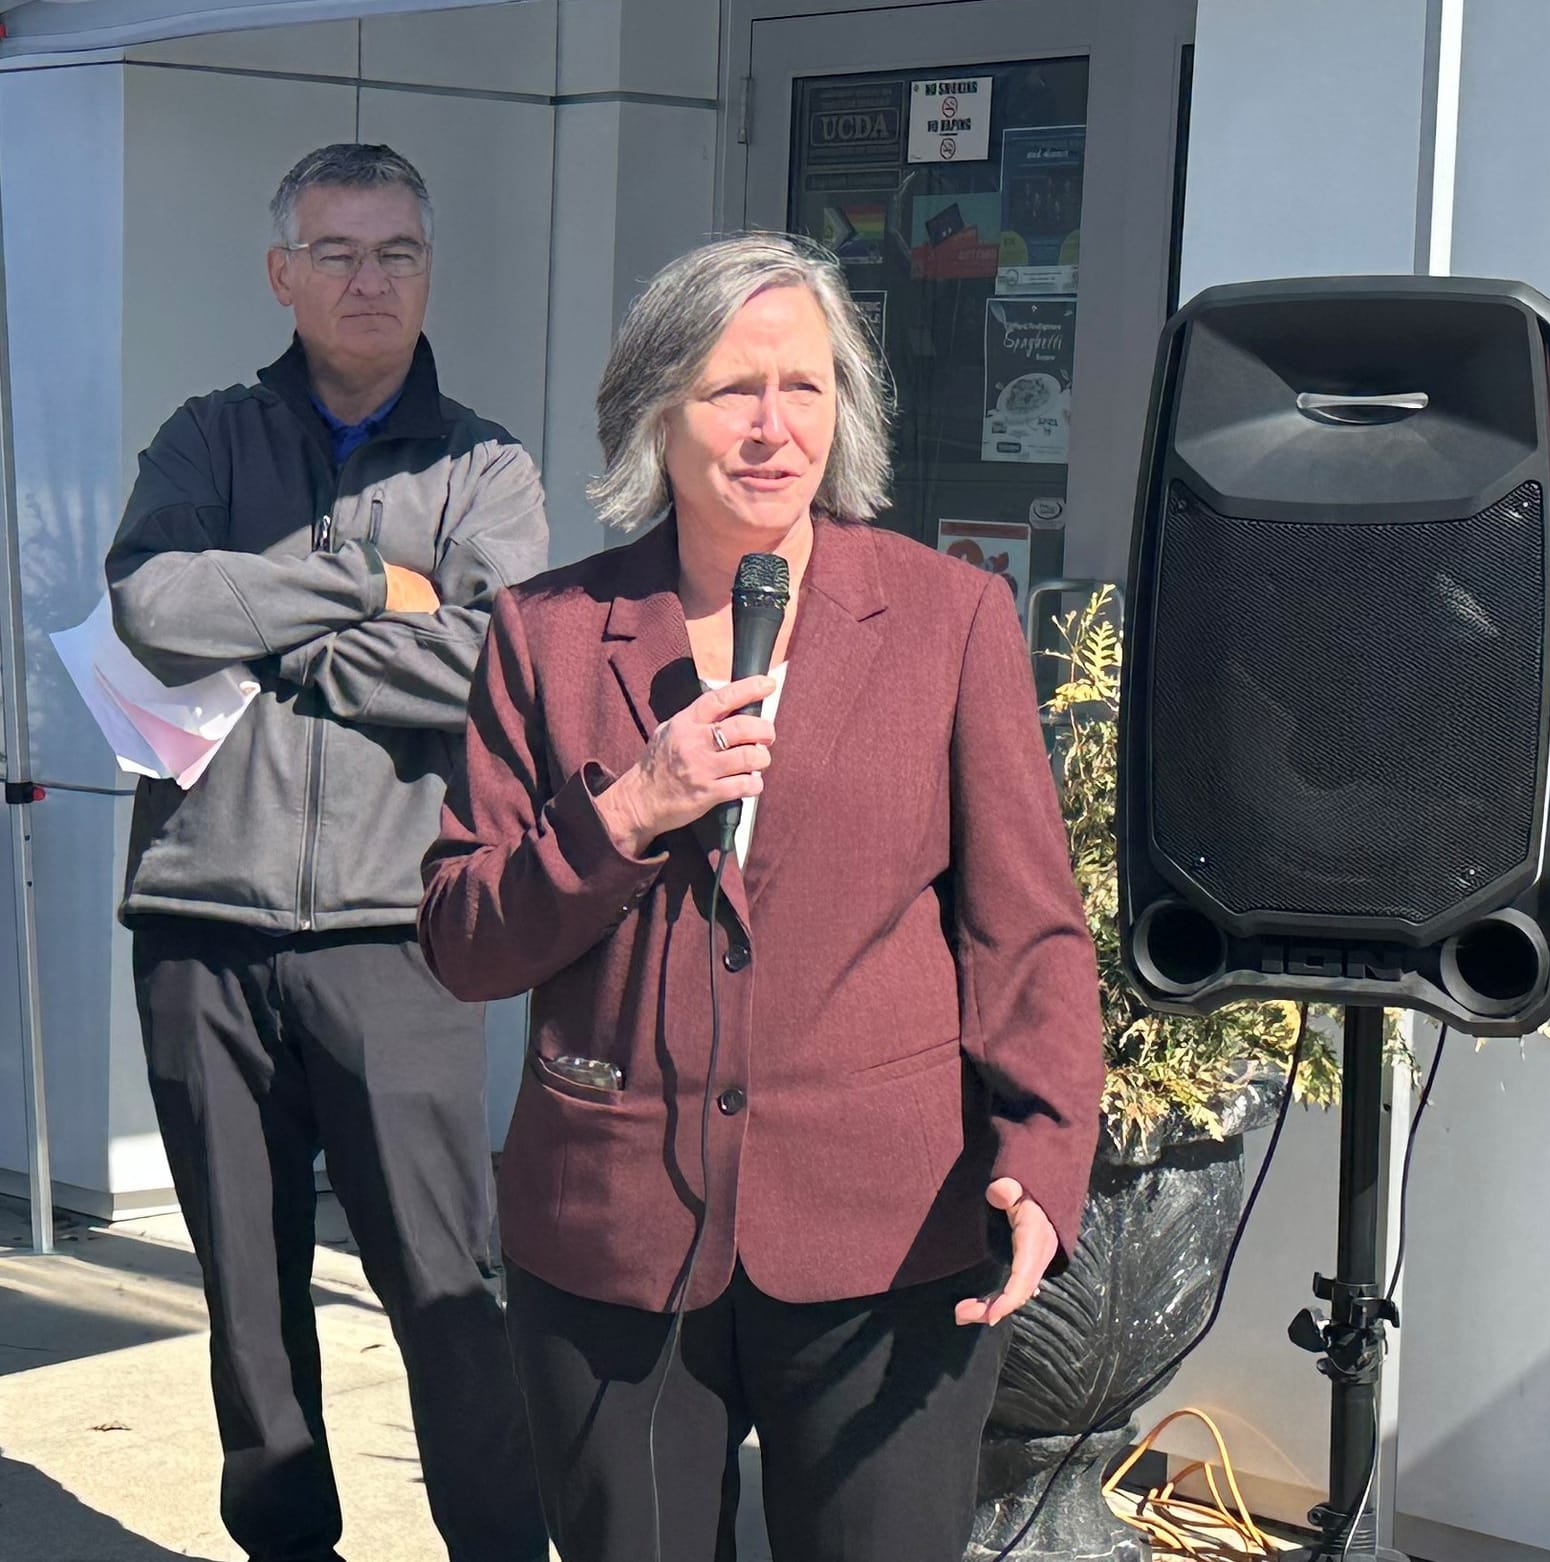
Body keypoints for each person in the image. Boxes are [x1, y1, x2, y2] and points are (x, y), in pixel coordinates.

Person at [418, 232, 1105, 1561]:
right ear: (655, 413)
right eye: (732, 388)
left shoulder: (950, 618)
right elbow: (461, 940)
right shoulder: (545, 634)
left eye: (805, 386)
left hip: (889, 1238)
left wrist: (1044, 1151)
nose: (772, 426)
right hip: (612, 1240)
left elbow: (1024, 929)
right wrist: (628, 809)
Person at [104, 143, 549, 1562]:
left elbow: (499, 664)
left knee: (447, 1288)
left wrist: (290, 647)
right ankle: (288, 1547)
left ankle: (500, 1546)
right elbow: (154, 609)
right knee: (250, 1299)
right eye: (338, 252)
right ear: (281, 274)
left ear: (429, 272)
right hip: (200, 923)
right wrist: (365, 585)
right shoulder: (204, 438)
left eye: (397, 252)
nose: (370, 280)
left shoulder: (486, 465)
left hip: (397, 931)